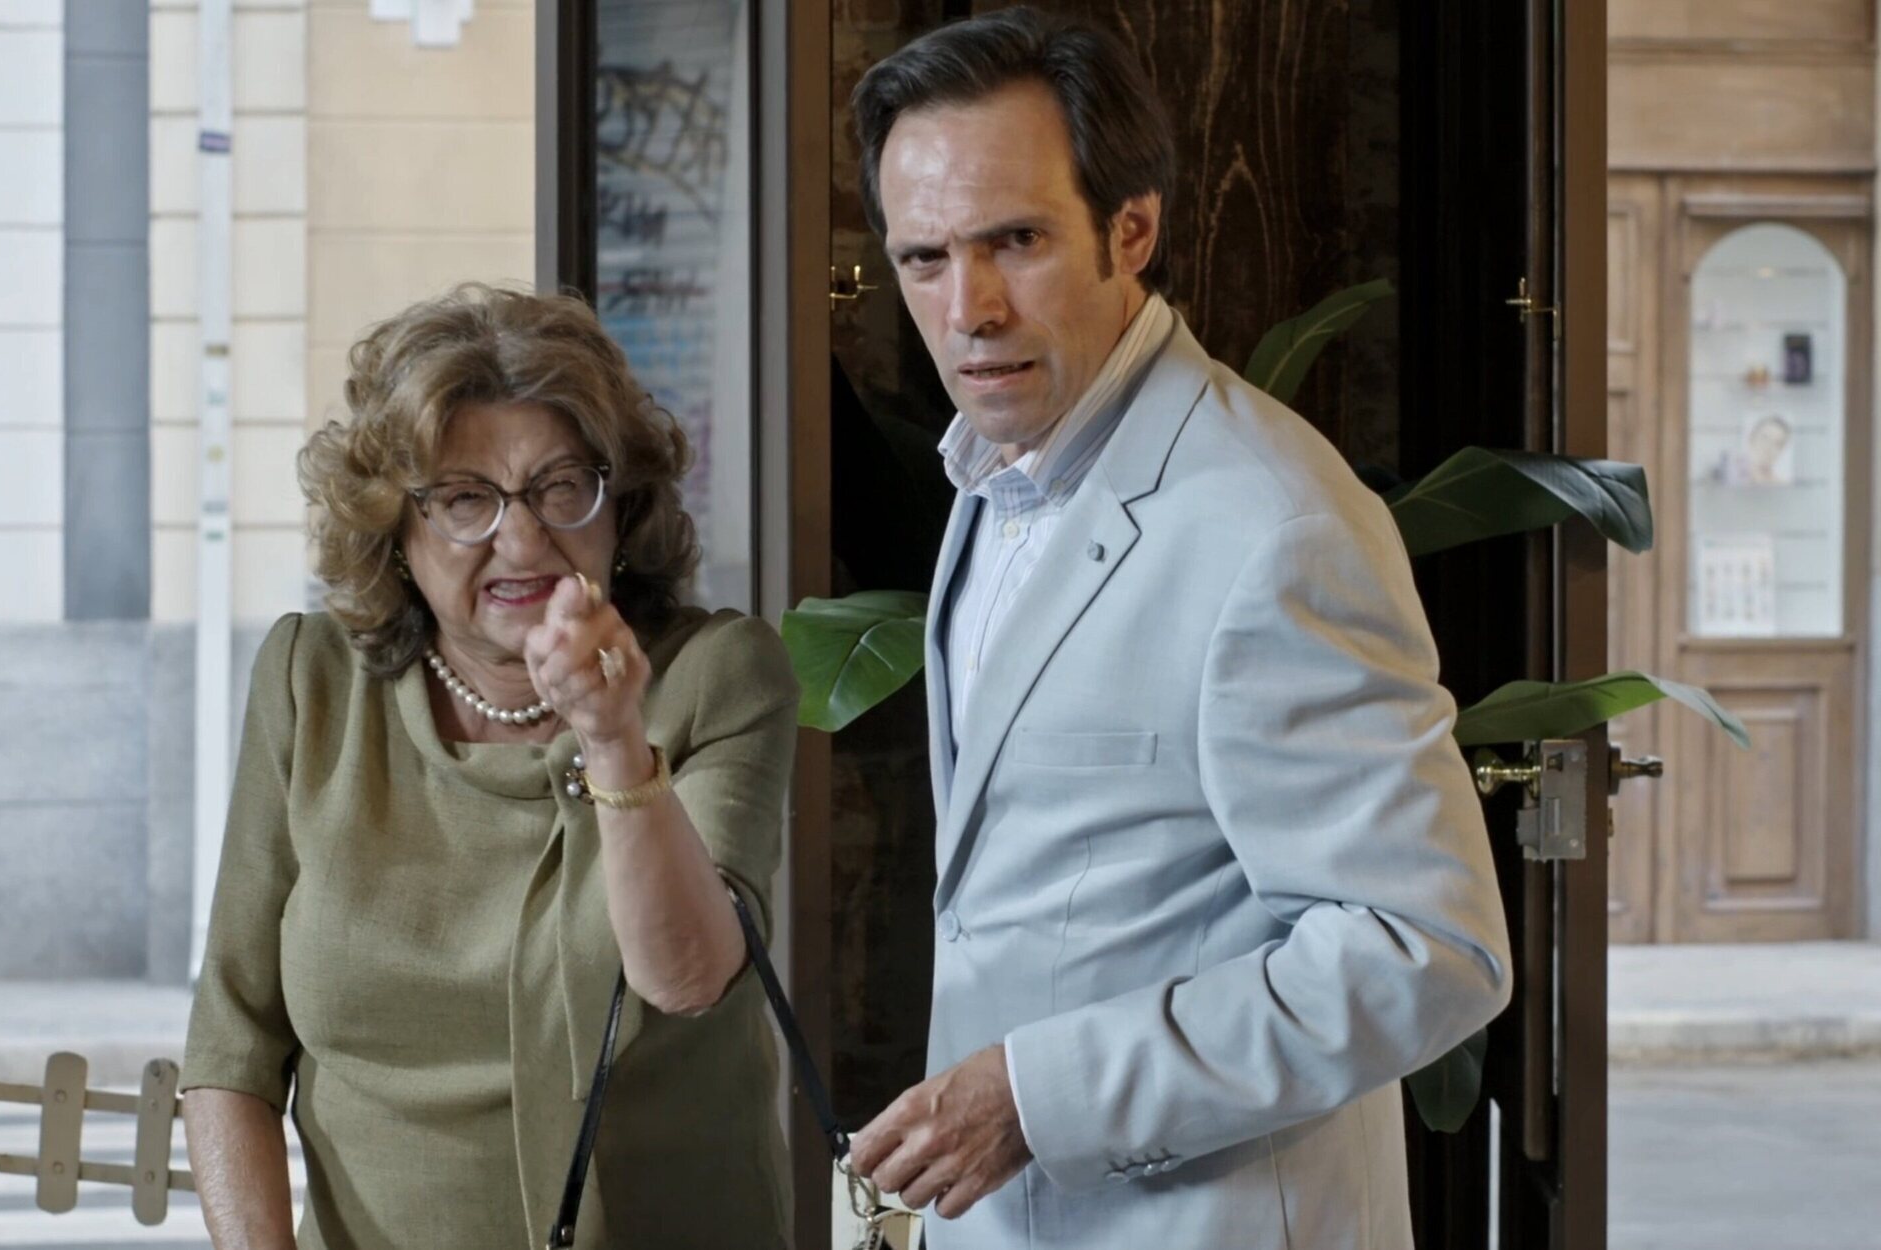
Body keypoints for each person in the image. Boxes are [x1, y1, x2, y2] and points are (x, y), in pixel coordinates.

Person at [842, 10, 1513, 1247]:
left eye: (1014, 241)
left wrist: (1040, 1097)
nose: (966, 308)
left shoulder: (1274, 524)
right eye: (922, 258)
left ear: (1131, 229)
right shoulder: (993, 473)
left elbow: (1426, 949)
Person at [179, 284, 797, 1250]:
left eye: (561, 487)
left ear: (620, 506)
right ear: (396, 527)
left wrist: (612, 737)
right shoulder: (312, 681)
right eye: (465, 498)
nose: (522, 538)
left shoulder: (718, 675)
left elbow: (689, 976)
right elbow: (231, 1046)